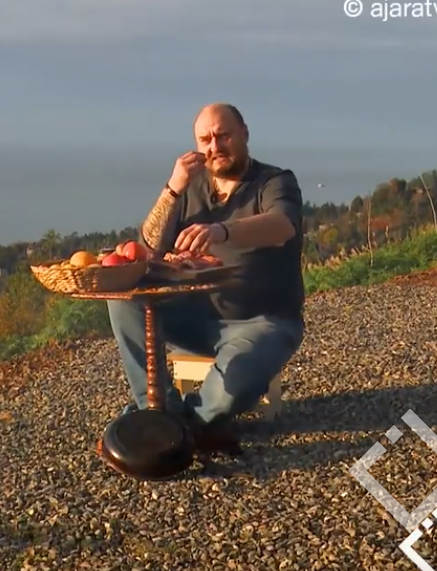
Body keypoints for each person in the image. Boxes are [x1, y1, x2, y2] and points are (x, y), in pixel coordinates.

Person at [108, 102, 306, 450]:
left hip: (264, 322)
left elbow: (282, 226)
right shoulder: (191, 188)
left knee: (237, 384)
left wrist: (222, 231)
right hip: (196, 317)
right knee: (123, 297)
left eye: (224, 136)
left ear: (244, 134)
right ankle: (160, 413)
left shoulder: (274, 181)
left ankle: (175, 427)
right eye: (206, 139)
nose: (215, 146)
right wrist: (173, 188)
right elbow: (148, 249)